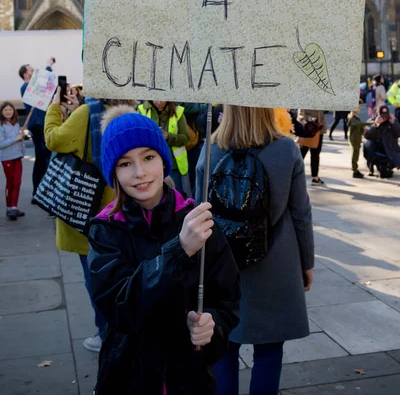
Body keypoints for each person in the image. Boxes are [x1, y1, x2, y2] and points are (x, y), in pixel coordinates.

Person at [87, 108, 240, 395]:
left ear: (163, 160)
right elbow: (119, 307)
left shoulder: (197, 221)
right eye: (124, 163)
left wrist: (212, 325)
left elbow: (227, 299)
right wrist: (179, 252)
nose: (139, 172)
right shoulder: (106, 230)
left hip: (189, 378)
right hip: (127, 376)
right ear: (114, 173)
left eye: (148, 157)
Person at [196, 105, 314, 395]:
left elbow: (197, 212)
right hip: (277, 264)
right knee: (270, 353)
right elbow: (301, 213)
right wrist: (307, 263)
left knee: (222, 349)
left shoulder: (210, 150)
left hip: (224, 266)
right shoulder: (287, 150)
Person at [44, 89, 116, 353]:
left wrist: (54, 108)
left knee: (94, 279)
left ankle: (105, 333)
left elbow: (53, 139)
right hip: (118, 208)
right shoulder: (129, 109)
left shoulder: (89, 112)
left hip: (87, 211)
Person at [137, 100, 190, 195]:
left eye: (162, 99)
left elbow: (186, 138)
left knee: (175, 195)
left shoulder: (178, 111)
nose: (159, 102)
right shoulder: (142, 110)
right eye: (156, 98)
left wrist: (169, 137)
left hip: (173, 165)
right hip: (149, 164)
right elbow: (137, 136)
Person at [19, 60, 53, 201]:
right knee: (42, 159)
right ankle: (38, 192)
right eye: (32, 71)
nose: (34, 73)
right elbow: (42, 83)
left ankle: (40, 192)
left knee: (44, 158)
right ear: (26, 75)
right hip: (38, 126)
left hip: (41, 124)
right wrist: (48, 67)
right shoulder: (26, 87)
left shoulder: (29, 86)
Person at [0, 102, 25, 220]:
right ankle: (9, 207)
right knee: (10, 183)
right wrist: (15, 138)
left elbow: (19, 140)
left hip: (17, 156)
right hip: (7, 158)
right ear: (1, 112)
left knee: (17, 182)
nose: (8, 112)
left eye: (10, 109)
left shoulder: (15, 124)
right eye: (5, 110)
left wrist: (21, 137)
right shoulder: (1, 126)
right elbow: (1, 144)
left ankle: (14, 207)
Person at [364, 104, 400, 177]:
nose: (384, 118)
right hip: (376, 149)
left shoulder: (392, 122)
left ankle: (388, 167)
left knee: (386, 173)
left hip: (389, 149)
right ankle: (373, 167)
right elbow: (366, 135)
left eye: (385, 116)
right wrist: (375, 125)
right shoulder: (372, 121)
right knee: (367, 145)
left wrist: (394, 123)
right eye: (382, 116)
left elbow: (399, 133)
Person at [298, 109, 326, 185]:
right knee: (314, 154)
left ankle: (292, 174)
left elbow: (301, 114)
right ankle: (314, 177)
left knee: (301, 154)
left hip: (306, 128)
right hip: (317, 129)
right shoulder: (319, 100)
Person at [348, 99, 370, 179]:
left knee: (356, 154)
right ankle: (355, 170)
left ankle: (355, 169)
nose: (359, 109)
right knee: (355, 155)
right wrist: (369, 123)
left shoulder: (355, 116)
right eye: (358, 107)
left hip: (357, 138)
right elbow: (358, 124)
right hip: (354, 139)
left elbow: (359, 127)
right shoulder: (352, 117)